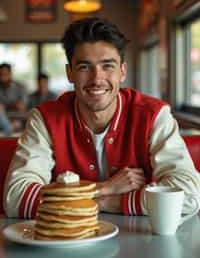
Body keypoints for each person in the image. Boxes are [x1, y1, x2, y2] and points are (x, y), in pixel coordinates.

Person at [3, 17, 200, 219]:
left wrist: (110, 202)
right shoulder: (45, 119)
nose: (97, 79)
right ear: (69, 73)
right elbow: (16, 198)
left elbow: (190, 196)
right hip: (66, 245)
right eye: (84, 67)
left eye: (107, 66)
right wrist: (103, 188)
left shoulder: (154, 115)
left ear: (122, 71)